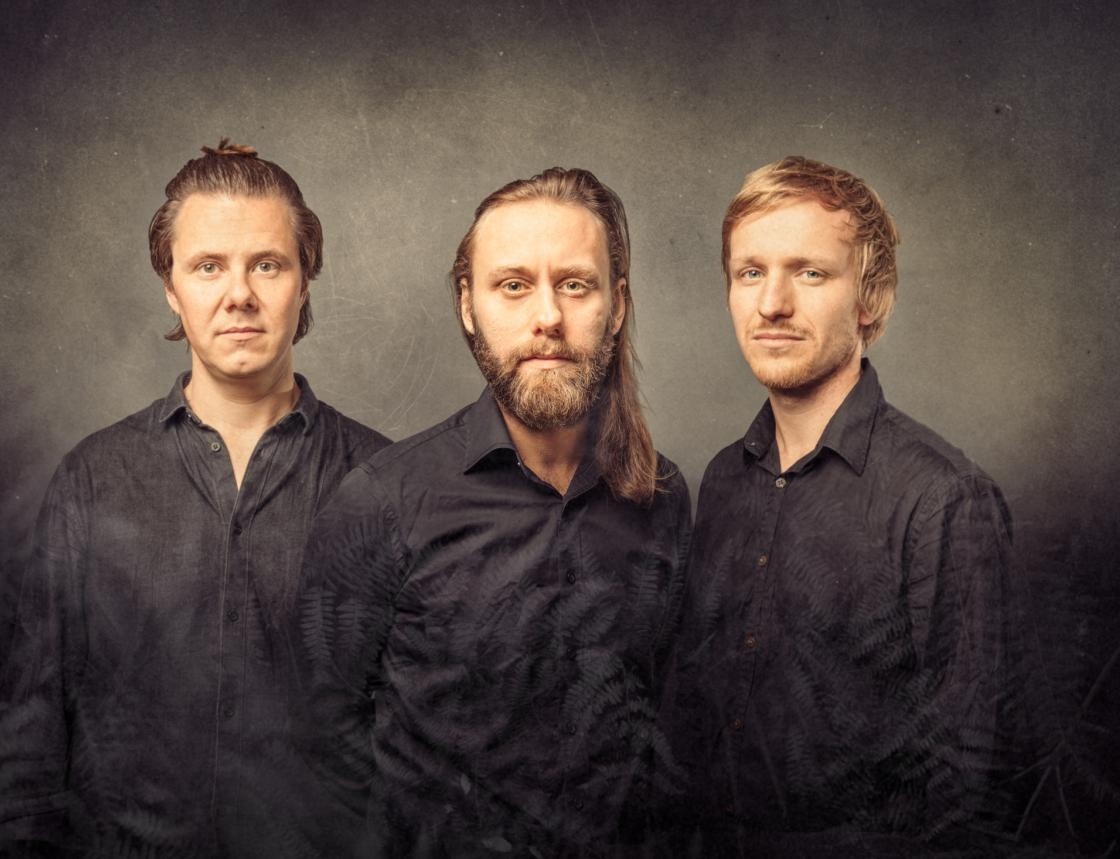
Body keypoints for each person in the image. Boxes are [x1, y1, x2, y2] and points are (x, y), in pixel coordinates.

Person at [0, 140, 389, 856]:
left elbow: (417, 743)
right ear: (171, 287)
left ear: (306, 278)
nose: (239, 294)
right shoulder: (94, 477)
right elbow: (30, 733)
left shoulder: (382, 482)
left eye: (267, 263)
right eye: (207, 266)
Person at [295, 168, 691, 857]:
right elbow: (322, 746)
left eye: (575, 284)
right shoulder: (382, 501)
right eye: (513, 285)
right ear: (468, 304)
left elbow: (667, 730)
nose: (547, 317)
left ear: (617, 305)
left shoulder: (661, 495)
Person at [665, 156, 1013, 855]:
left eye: (810, 272)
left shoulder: (942, 497)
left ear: (868, 299)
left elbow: (970, 787)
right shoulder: (724, 480)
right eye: (750, 272)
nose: (772, 304)